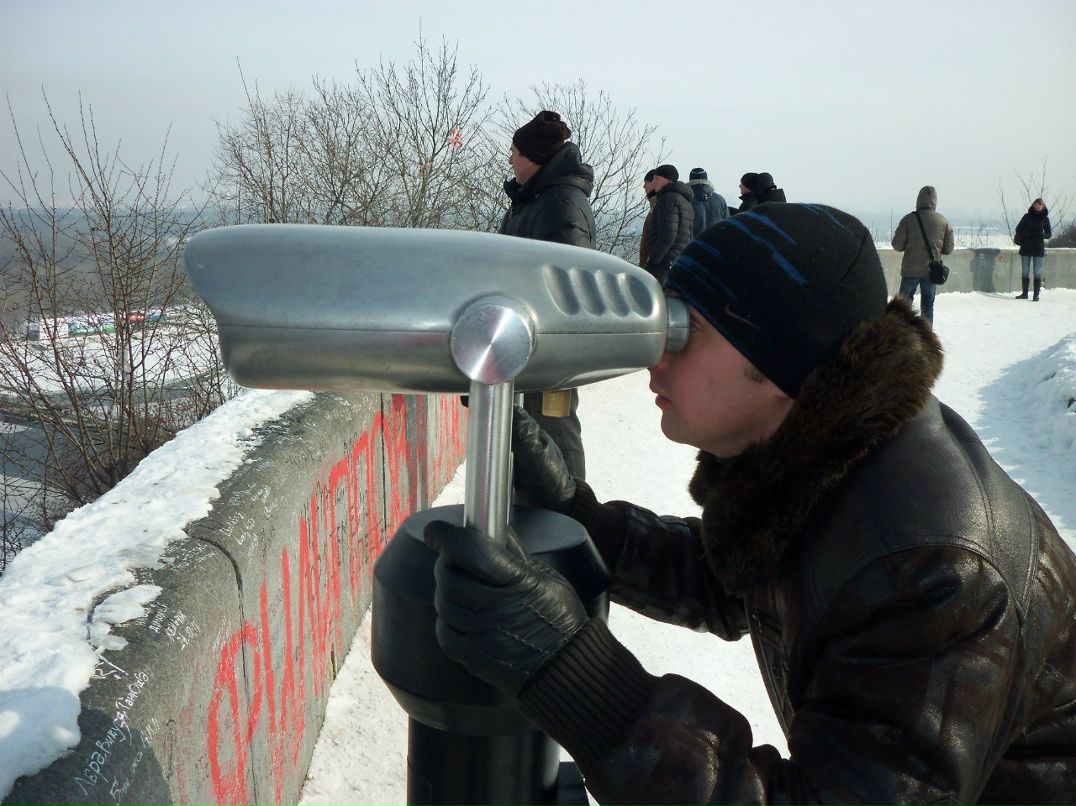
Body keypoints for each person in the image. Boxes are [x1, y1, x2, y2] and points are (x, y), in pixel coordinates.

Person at [423, 202, 1076, 805]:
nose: (658, 355)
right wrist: (584, 520)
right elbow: (743, 578)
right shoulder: (831, 451)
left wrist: (576, 678)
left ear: (778, 366)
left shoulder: (932, 565)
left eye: (687, 328)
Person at [500, 110, 595, 480]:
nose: (510, 159)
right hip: (533, 337)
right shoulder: (535, 198)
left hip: (555, 344)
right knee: (534, 430)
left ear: (534, 159)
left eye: (515, 153)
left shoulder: (561, 203)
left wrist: (553, 339)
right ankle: (536, 507)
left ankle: (571, 512)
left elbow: (567, 279)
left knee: (556, 428)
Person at [891, 185, 954, 324]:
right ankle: (926, 339)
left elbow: (896, 245)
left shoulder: (908, 219)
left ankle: (902, 336)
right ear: (934, 201)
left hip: (910, 270)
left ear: (919, 199)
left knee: (903, 307)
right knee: (927, 307)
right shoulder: (944, 221)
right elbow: (948, 249)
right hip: (932, 271)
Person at [643, 164, 694, 282]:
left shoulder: (667, 199)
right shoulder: (684, 201)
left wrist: (653, 262)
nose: (654, 182)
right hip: (677, 261)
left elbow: (668, 235)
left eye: (657, 178)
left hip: (664, 264)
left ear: (667, 179)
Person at [1013, 198, 1052, 301]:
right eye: (1036, 204)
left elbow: (1049, 234)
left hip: (1038, 248)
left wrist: (1041, 235)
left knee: (1037, 272)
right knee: (1025, 271)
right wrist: (1027, 234)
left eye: (1040, 204)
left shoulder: (1045, 219)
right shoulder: (1027, 217)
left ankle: (1036, 295)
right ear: (1033, 205)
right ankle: (1025, 294)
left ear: (1043, 206)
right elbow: (1018, 229)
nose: (1038, 206)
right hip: (1026, 246)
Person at [687, 167, 730, 236]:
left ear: (690, 180)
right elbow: (727, 225)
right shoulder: (720, 200)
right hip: (715, 244)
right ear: (706, 180)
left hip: (692, 244)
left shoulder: (686, 199)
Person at [638, 169, 657, 268]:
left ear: (654, 184)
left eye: (646, 182)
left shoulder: (659, 207)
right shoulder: (654, 206)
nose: (644, 186)